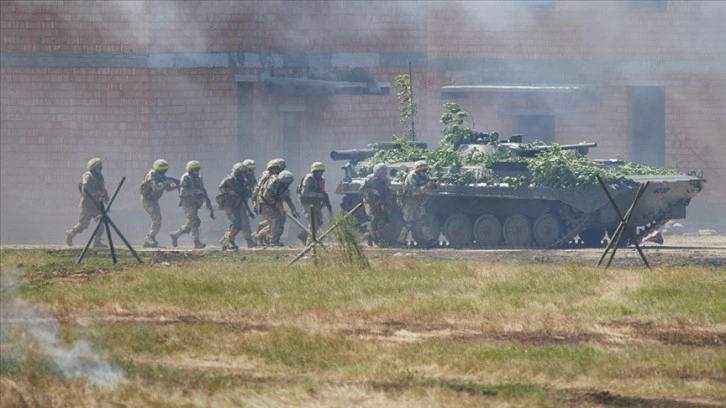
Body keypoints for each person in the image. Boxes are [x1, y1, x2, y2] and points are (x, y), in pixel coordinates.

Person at [169, 160, 215, 249]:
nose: (197, 171)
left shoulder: (199, 177)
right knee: (195, 221)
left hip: (195, 202)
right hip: (187, 202)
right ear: (190, 170)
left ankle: (175, 235)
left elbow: (202, 189)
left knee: (191, 222)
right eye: (195, 170)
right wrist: (194, 191)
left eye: (198, 169)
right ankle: (196, 242)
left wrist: (206, 201)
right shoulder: (186, 177)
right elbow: (182, 192)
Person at [66, 157, 110, 247]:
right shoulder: (87, 176)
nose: (100, 170)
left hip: (97, 204)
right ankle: (71, 233)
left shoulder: (100, 177)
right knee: (83, 225)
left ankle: (97, 242)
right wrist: (98, 192)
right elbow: (85, 190)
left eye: (101, 168)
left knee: (101, 223)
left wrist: (105, 197)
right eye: (99, 168)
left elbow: (103, 189)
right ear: (94, 168)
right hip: (87, 204)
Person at [396, 160, 439, 247]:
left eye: (426, 170)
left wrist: (434, 185)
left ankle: (429, 240)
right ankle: (400, 241)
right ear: (418, 171)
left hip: (417, 202)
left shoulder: (422, 177)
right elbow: (415, 191)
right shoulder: (412, 176)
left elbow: (426, 184)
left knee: (424, 220)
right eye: (423, 171)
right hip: (409, 202)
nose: (425, 173)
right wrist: (426, 186)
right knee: (408, 223)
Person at [216, 162, 257, 250]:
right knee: (236, 223)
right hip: (229, 204)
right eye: (243, 172)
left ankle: (228, 241)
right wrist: (229, 191)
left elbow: (246, 193)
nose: (245, 174)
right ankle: (228, 241)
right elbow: (221, 188)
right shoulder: (229, 180)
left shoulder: (243, 181)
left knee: (241, 222)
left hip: (238, 204)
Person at [140, 159, 178, 248]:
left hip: (153, 200)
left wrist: (174, 185)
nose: (164, 172)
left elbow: (167, 189)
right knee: (156, 218)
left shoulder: (160, 176)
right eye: (163, 170)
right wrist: (166, 183)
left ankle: (150, 240)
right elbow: (156, 187)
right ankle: (149, 238)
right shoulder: (152, 174)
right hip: (147, 200)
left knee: (158, 219)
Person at [257, 170, 296, 246]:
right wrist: (276, 204)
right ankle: (273, 241)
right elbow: (266, 196)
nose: (287, 185)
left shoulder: (284, 186)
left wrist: (292, 208)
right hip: (265, 204)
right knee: (276, 218)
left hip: (274, 205)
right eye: (286, 183)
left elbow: (286, 197)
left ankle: (262, 235)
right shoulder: (273, 183)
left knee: (282, 219)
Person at [297, 162, 332, 245]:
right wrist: (316, 194)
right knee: (314, 223)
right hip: (307, 203)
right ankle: (310, 243)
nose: (320, 173)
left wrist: (324, 200)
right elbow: (304, 193)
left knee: (319, 222)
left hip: (316, 202)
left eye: (321, 172)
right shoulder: (308, 178)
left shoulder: (321, 180)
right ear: (314, 172)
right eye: (318, 172)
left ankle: (304, 235)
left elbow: (322, 192)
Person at [360, 163, 394, 247]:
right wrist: (372, 190)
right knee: (374, 218)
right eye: (383, 173)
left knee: (383, 220)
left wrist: (387, 206)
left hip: (380, 202)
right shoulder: (370, 179)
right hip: (370, 202)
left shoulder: (386, 181)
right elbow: (361, 189)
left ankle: (369, 235)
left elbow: (388, 193)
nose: (385, 175)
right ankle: (376, 240)